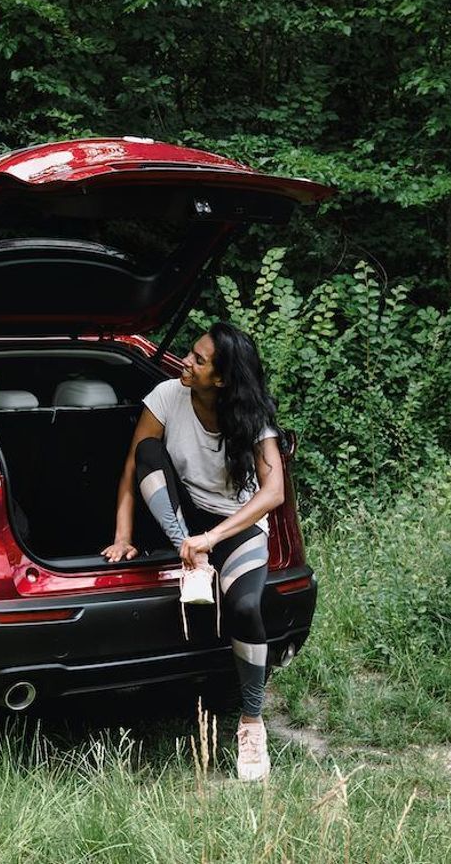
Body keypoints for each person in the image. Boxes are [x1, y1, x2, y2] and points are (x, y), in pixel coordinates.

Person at [101, 322, 286, 781]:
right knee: (147, 449)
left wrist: (214, 538)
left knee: (245, 606)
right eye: (191, 352)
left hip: (236, 525)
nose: (187, 360)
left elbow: (274, 493)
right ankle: (195, 566)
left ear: (221, 379)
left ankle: (250, 722)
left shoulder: (253, 414)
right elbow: (134, 464)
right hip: (183, 521)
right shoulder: (166, 395)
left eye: (199, 360)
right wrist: (124, 535)